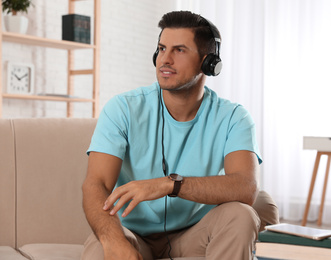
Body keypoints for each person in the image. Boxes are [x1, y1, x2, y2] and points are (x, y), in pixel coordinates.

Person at [81, 10, 271, 260]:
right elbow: (96, 184)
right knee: (100, 252)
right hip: (132, 233)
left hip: (196, 234)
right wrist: (113, 240)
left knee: (241, 214)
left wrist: (170, 184)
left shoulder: (234, 117)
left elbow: (246, 187)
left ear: (208, 63)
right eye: (161, 49)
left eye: (179, 50)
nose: (164, 59)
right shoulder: (123, 108)